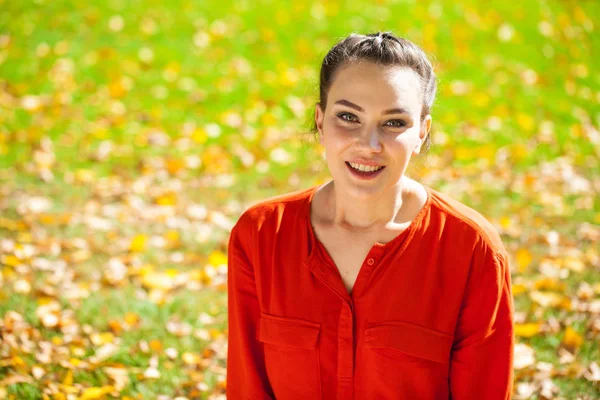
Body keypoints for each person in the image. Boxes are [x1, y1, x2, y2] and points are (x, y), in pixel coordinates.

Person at [226, 32, 514, 399]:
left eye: (394, 122)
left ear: (422, 132)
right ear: (320, 120)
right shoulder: (261, 235)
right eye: (348, 116)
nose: (369, 144)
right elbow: (247, 387)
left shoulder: (472, 250)